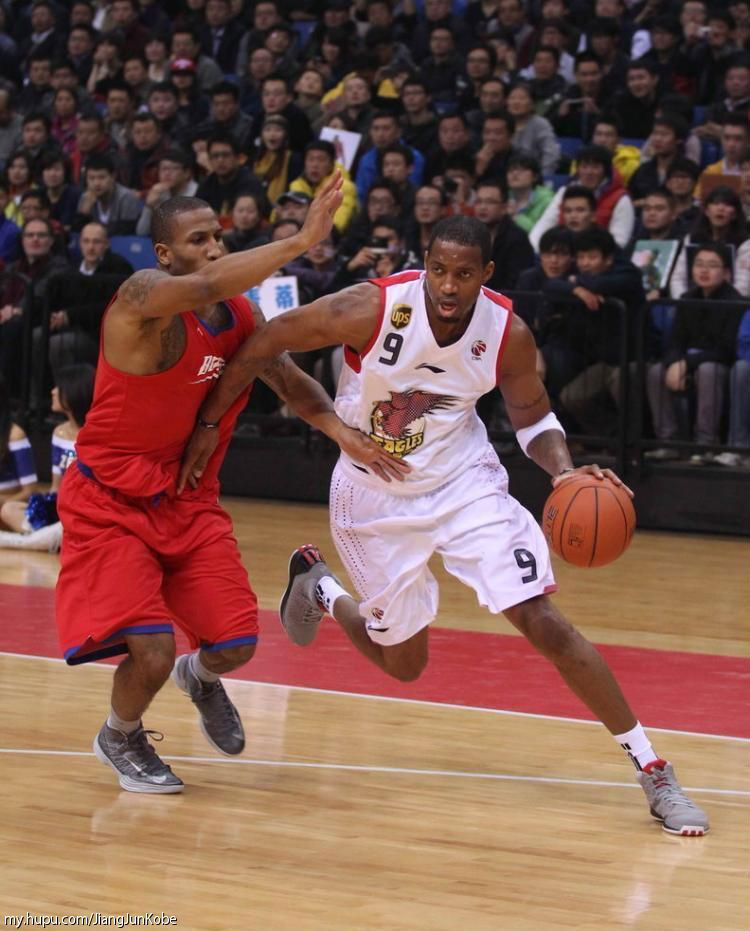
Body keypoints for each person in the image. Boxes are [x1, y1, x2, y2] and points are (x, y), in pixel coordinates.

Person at [179, 214, 709, 836]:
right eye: (438, 270)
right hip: (374, 495)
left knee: (543, 619)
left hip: (464, 482)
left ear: (486, 273)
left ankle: (653, 770)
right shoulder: (366, 310)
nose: (449, 286)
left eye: (463, 274)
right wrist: (221, 425)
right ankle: (320, 586)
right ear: (423, 263)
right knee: (404, 666)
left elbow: (534, 418)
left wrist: (563, 473)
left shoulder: (507, 334)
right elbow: (264, 345)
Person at [54, 175, 406, 794]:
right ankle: (120, 734)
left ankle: (202, 676)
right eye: (199, 239)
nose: (215, 248)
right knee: (152, 651)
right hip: (111, 500)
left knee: (239, 644)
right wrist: (302, 240)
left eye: (219, 236)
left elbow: (293, 383)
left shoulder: (241, 314)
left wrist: (342, 433)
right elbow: (208, 284)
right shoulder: (140, 299)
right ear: (165, 256)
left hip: (186, 500)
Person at [0, 364, 95, 552]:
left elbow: (29, 489)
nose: (52, 392)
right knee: (10, 510)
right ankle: (49, 540)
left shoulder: (95, 436)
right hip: (62, 510)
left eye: (58, 387)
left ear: (74, 392)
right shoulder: (59, 433)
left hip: (88, 511)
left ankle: (22, 541)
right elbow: (55, 488)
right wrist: (45, 510)